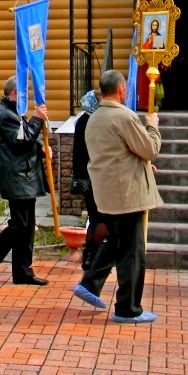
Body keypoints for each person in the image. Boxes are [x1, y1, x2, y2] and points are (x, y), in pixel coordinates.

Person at [72, 70, 161, 324]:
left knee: (115, 242)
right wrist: (152, 125)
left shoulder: (93, 117)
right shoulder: (124, 116)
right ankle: (128, 308)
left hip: (106, 191)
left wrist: (140, 165)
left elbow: (116, 153)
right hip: (127, 194)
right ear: (122, 88)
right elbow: (150, 149)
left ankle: (90, 283)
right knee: (132, 251)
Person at [0, 76, 51, 288]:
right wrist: (37, 119)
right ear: (15, 93)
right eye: (24, 94)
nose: (28, 98)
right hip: (17, 179)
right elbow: (21, 141)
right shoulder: (4, 115)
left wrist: (41, 147)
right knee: (19, 226)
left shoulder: (14, 113)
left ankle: (22, 271)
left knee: (25, 227)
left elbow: (27, 139)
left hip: (24, 177)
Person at [70, 90, 108, 271]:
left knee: (94, 216)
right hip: (97, 176)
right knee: (101, 218)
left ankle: (88, 255)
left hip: (84, 177)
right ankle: (93, 255)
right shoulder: (96, 122)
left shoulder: (80, 121)